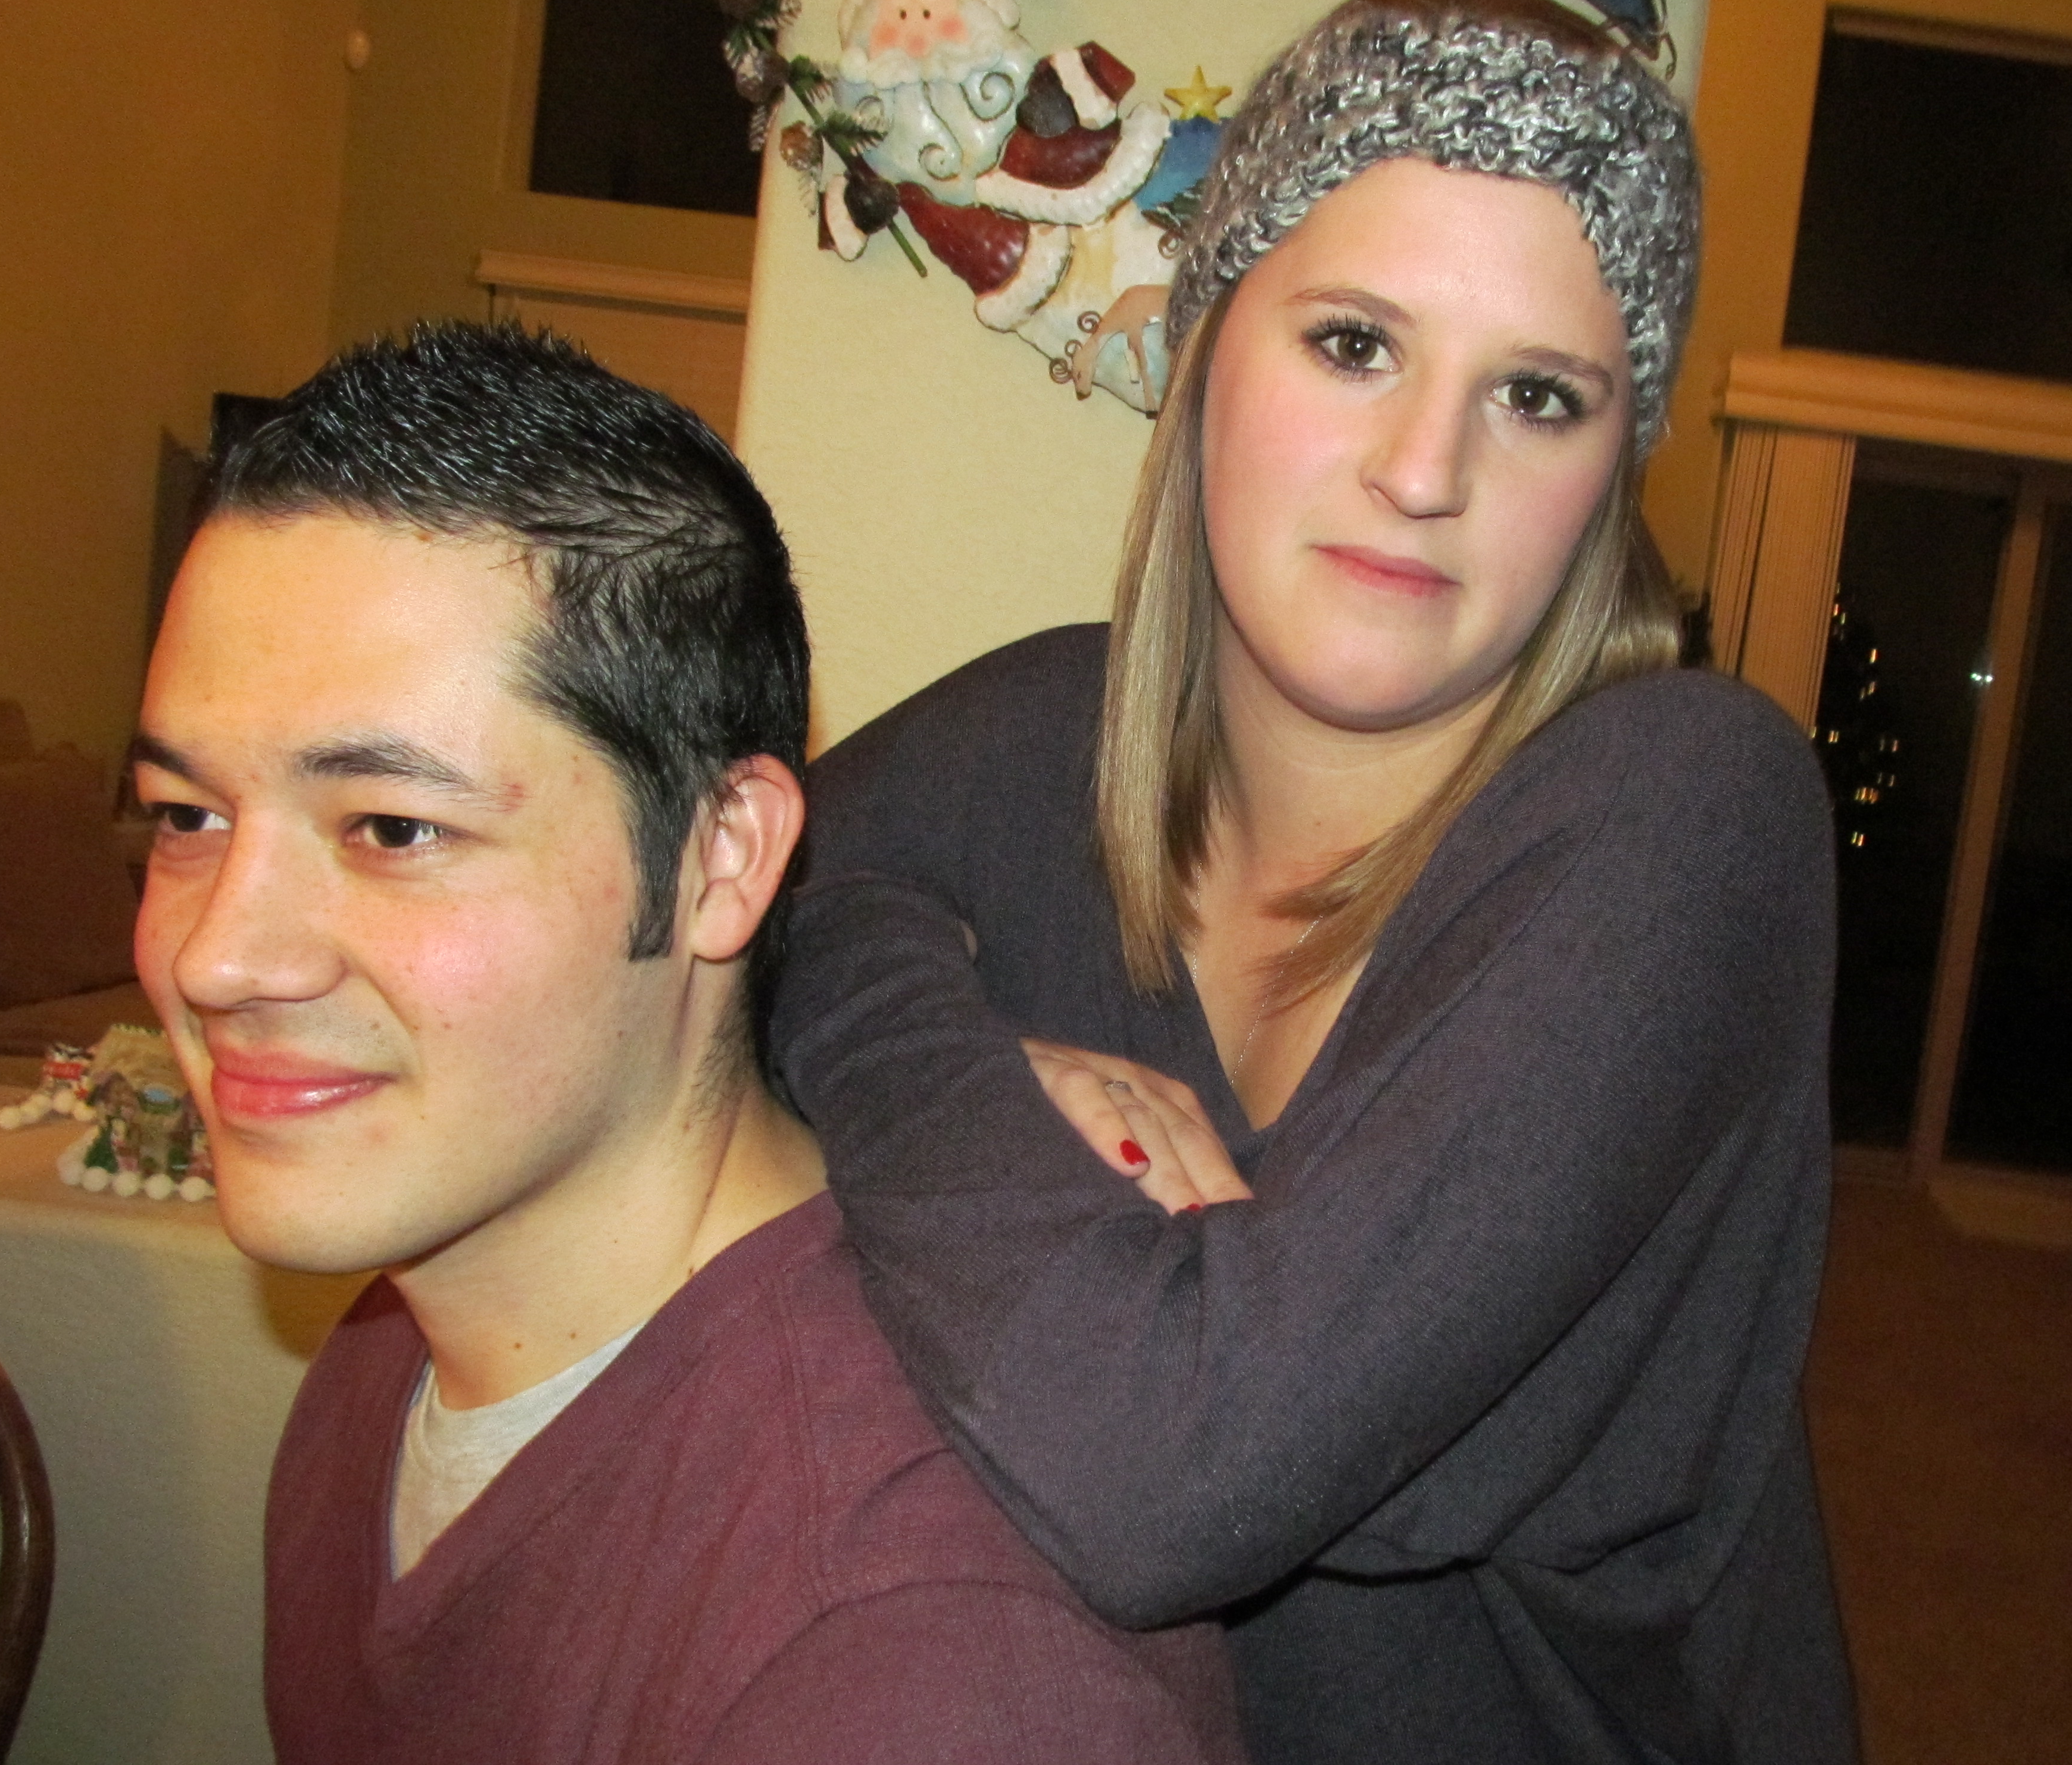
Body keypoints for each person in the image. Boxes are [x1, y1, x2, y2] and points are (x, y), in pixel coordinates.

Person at [769, 0, 1859, 1763]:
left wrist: (916, 1044)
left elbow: (1162, 1472)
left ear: (1613, 471)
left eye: (1538, 396)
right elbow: (709, 924)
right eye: (1355, 343)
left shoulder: (1692, 818)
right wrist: (976, 1054)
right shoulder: (1040, 737)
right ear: (1206, 352)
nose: (1426, 470)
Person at [128, 324, 1243, 1765]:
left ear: (721, 858)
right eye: (187, 816)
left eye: (394, 829)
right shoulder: (397, 1339)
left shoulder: (926, 1662)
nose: (216, 957)